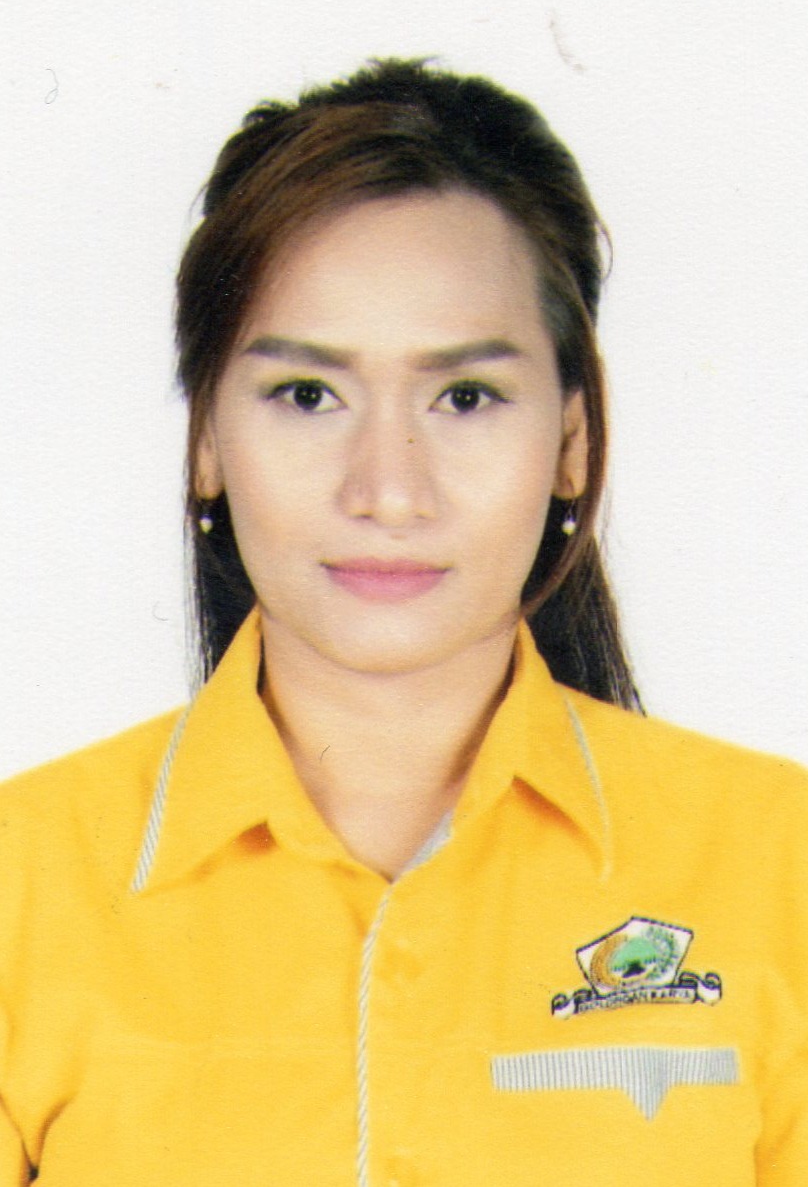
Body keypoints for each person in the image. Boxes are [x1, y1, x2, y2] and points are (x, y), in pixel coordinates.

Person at [0, 59, 805, 1186]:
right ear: (207, 442)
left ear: (571, 442)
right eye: (307, 396)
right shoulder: (24, 883)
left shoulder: (780, 863)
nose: (387, 489)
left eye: (465, 397)